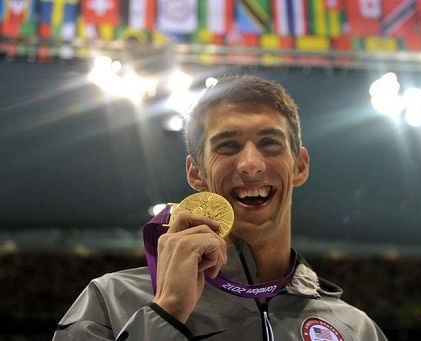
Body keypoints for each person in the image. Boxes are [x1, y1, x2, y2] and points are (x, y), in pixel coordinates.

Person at [53, 75, 387, 340]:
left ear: (300, 166)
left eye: (269, 143)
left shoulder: (356, 330)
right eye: (227, 146)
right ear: (195, 172)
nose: (251, 164)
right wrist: (166, 313)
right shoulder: (110, 302)